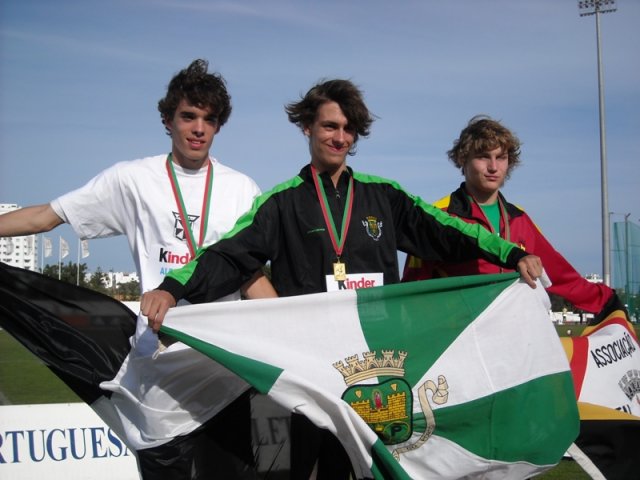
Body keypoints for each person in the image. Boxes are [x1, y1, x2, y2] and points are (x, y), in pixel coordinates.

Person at [140, 80, 544, 479]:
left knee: (376, 471)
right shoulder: (280, 203)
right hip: (308, 370)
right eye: (330, 126)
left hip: (377, 370)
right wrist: (172, 289)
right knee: (303, 470)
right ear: (307, 128)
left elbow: (448, 230)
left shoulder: (383, 196)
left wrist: (512, 253)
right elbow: (228, 253)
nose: (339, 138)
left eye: (348, 129)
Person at [0, 59, 276, 479]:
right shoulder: (132, 180)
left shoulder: (242, 189)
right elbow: (46, 217)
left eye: (210, 119)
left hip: (222, 372)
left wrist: (290, 335)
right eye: (188, 116)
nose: (199, 129)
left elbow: (251, 277)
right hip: (158, 373)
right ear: (167, 120)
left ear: (219, 126)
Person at [402, 115, 614, 313]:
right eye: (483, 157)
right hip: (462, 335)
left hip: (512, 333)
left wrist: (606, 300)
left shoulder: (519, 219)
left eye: (501, 157)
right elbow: (413, 290)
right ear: (463, 159)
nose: (493, 167)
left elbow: (561, 276)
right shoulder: (438, 216)